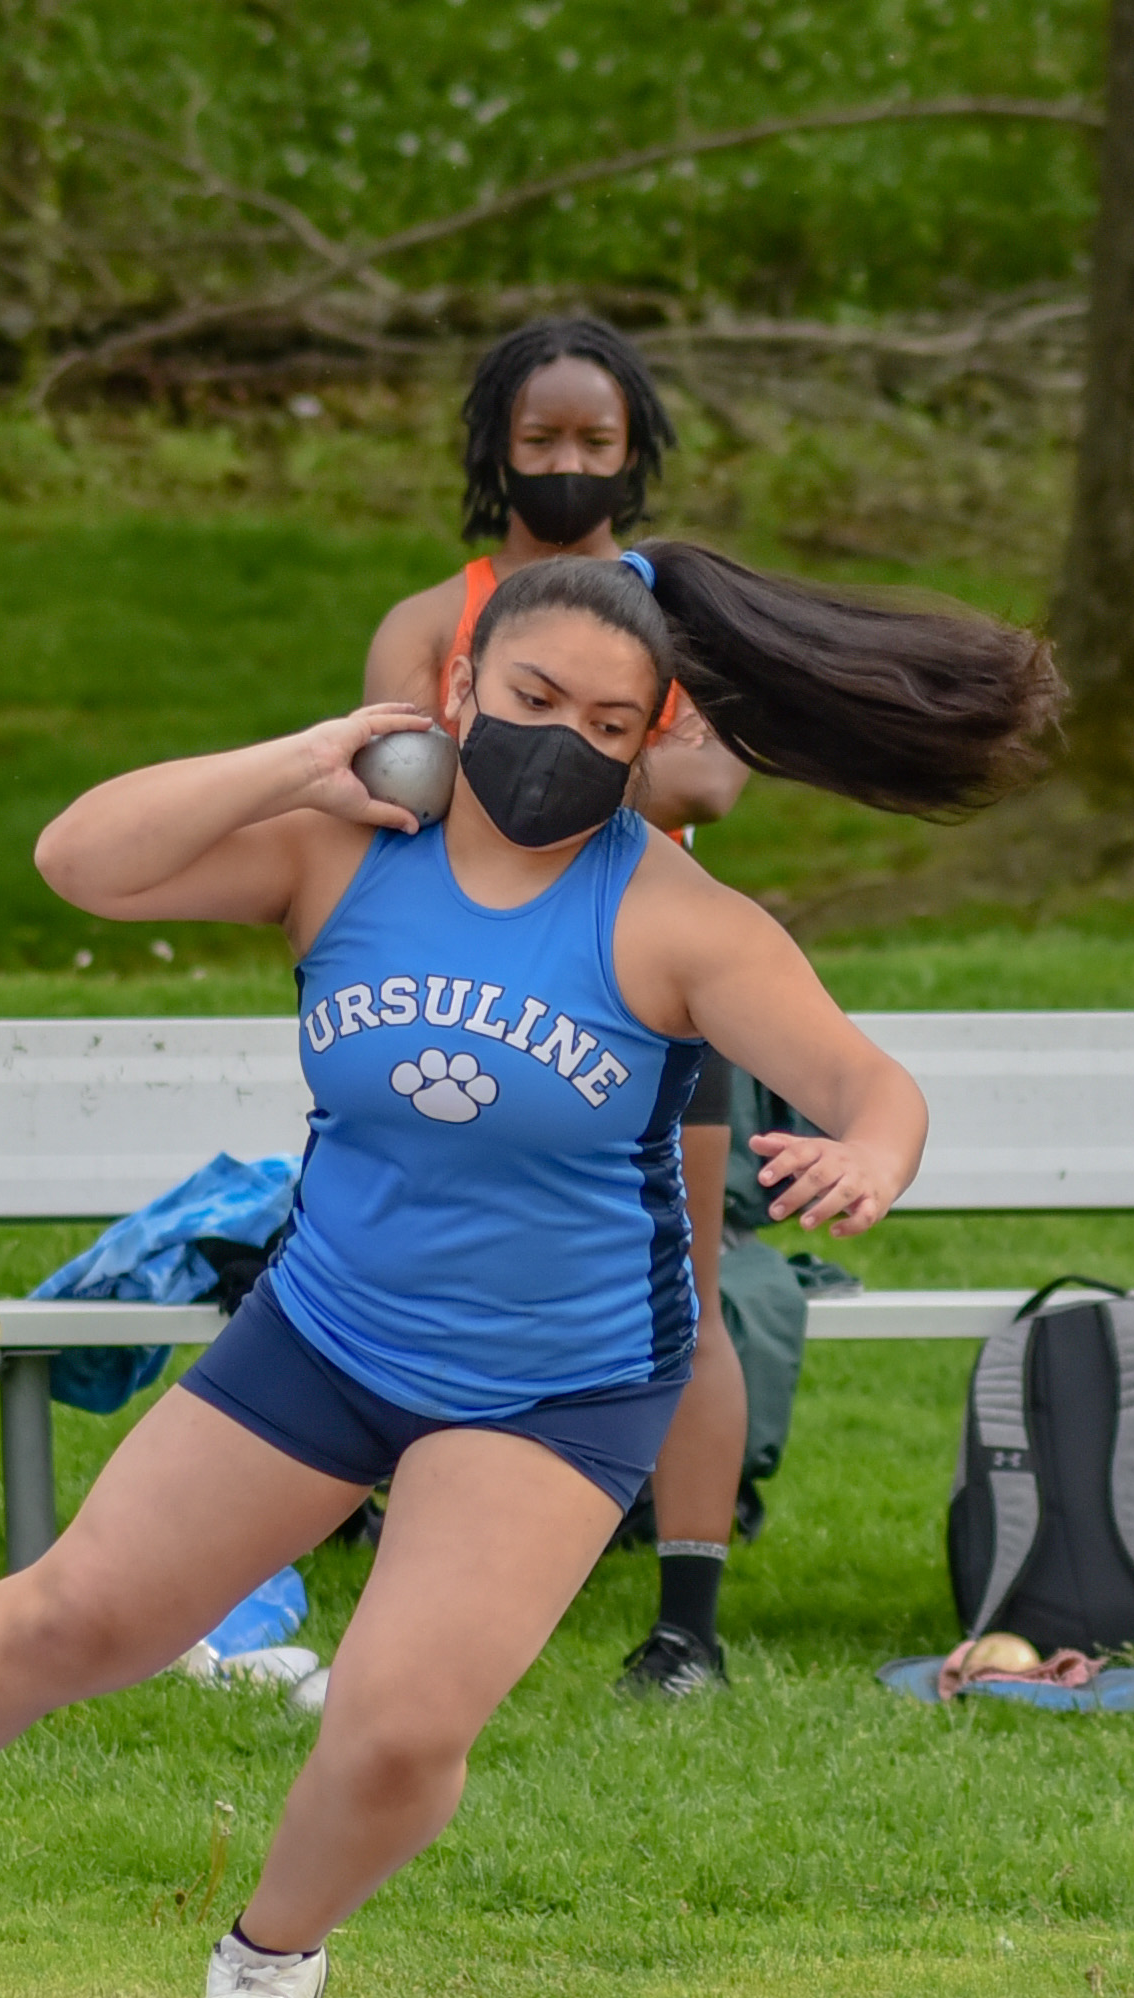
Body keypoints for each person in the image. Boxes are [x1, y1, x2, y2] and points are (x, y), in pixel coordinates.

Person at [0, 542, 1060, 1998]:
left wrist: (870, 1156)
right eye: (530, 699)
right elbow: (80, 861)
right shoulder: (343, 848)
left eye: (604, 724)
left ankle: (267, 1963)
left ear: (650, 739)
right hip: (330, 1329)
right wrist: (298, 761)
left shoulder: (674, 918)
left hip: (555, 1382)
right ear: (457, 687)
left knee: (392, 1729)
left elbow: (867, 1082)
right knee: (78, 1616)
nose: (560, 743)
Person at [365, 316, 759, 1698]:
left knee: (683, 1297)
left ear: (635, 451)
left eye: (597, 440)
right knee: (431, 1280)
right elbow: (386, 788)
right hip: (455, 994)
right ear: (497, 447)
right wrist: (600, 752)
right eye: (542, 438)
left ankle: (686, 1624)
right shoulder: (428, 622)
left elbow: (710, 782)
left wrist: (515, 746)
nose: (570, 462)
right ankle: (432, 1584)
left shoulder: (674, 619)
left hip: (649, 998)